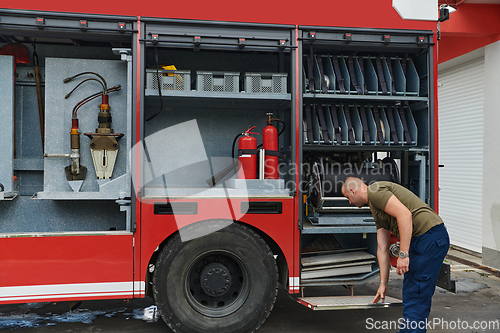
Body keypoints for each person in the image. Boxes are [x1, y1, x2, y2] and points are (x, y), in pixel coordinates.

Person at [341, 177, 450, 333]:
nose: (349, 202)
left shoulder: (375, 191)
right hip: (426, 239)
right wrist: (383, 283)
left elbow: (405, 215)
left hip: (428, 237)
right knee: (414, 296)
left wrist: (403, 255)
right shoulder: (375, 206)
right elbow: (382, 247)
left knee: (416, 296)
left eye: (347, 198)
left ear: (353, 190)